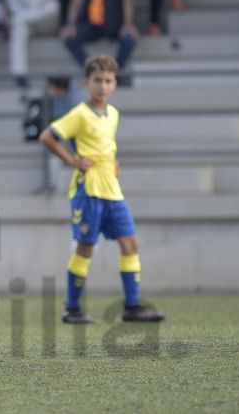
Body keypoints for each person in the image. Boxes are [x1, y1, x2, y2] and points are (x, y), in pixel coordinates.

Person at [39, 55, 166, 324]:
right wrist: (73, 161)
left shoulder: (113, 114)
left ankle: (132, 307)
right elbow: (48, 137)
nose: (103, 86)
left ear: (115, 84)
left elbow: (105, 144)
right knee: (86, 249)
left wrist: (114, 162)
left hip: (112, 190)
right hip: (89, 191)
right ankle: (72, 309)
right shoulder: (80, 114)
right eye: (98, 80)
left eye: (108, 81)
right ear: (87, 83)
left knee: (131, 244)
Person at [5, 0, 59, 87]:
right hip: (27, 22)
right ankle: (20, 74)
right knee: (19, 28)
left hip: (46, 23)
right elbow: (14, 6)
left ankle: (16, 21)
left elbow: (40, 2)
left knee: (53, 6)